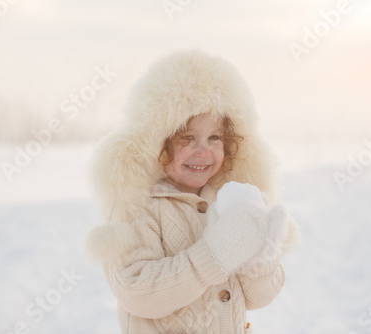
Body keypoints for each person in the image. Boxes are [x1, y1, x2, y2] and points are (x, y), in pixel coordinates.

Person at [86, 49, 300, 334]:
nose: (203, 151)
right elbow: (138, 294)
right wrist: (214, 256)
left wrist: (260, 261)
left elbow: (260, 298)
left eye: (214, 137)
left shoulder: (231, 200)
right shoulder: (136, 206)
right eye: (187, 138)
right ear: (157, 142)